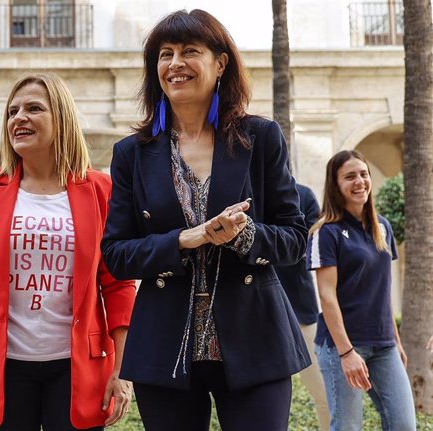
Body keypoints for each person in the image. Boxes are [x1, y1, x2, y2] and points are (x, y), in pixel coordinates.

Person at [101, 9, 309, 431]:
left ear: (220, 63)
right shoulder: (132, 153)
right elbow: (116, 254)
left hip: (256, 338)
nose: (175, 63)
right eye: (165, 54)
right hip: (164, 345)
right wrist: (182, 240)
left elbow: (294, 238)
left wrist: (245, 234)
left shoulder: (260, 137)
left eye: (189, 51)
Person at [0, 73, 136, 431]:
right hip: (1, 367)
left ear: (61, 118)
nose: (19, 117)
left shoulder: (100, 190)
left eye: (34, 108)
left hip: (77, 366)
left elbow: (117, 283)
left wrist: (122, 369)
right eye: (12, 111)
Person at [307, 150, 416, 431]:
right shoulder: (326, 232)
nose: (360, 181)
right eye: (350, 176)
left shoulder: (383, 228)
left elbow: (381, 289)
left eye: (364, 174)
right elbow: (327, 296)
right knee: (348, 427)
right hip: (341, 347)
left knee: (403, 424)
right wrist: (346, 353)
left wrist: (397, 341)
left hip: (384, 345)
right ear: (336, 185)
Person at [274, 182, 330, 431]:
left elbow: (308, 248)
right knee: (263, 403)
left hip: (300, 310)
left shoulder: (304, 195)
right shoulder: (240, 189)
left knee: (326, 393)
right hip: (254, 313)